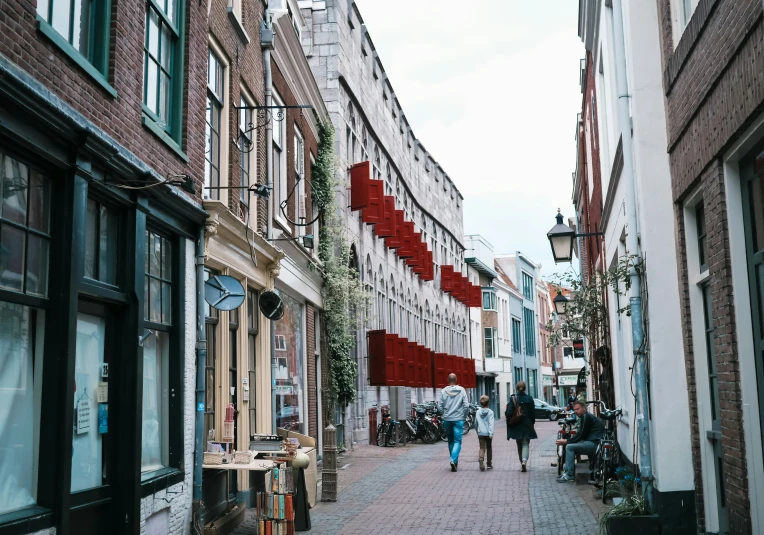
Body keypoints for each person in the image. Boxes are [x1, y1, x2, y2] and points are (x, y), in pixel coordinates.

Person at [555, 399, 605, 482]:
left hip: (594, 444)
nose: (576, 412)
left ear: (584, 408)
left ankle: (570, 475)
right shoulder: (585, 417)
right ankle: (567, 472)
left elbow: (581, 436)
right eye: (574, 410)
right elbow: (580, 435)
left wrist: (566, 441)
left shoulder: (586, 417)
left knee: (569, 447)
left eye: (577, 409)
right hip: (592, 442)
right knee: (569, 446)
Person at [438, 373, 469, 472]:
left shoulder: (443, 391)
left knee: (450, 440)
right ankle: (453, 460)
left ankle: (454, 462)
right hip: (458, 419)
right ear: (456, 379)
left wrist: (444, 413)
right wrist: (464, 416)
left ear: (448, 379)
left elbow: (439, 406)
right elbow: (466, 406)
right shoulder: (462, 390)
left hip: (447, 419)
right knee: (457, 441)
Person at [506, 381, 537, 472]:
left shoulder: (513, 399)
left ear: (517, 388)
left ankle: (522, 462)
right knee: (525, 443)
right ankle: (524, 461)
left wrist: (509, 421)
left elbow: (509, 413)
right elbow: (532, 413)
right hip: (527, 424)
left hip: (517, 424)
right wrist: (532, 422)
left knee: (519, 443)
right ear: (525, 388)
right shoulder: (529, 398)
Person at [475, 395, 494, 471]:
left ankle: (481, 459)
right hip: (488, 433)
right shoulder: (490, 412)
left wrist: (477, 431)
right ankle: (489, 464)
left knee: (482, 447)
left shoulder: (477, 412)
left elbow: (475, 423)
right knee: (489, 447)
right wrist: (491, 433)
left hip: (481, 433)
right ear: (488, 403)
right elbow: (491, 423)